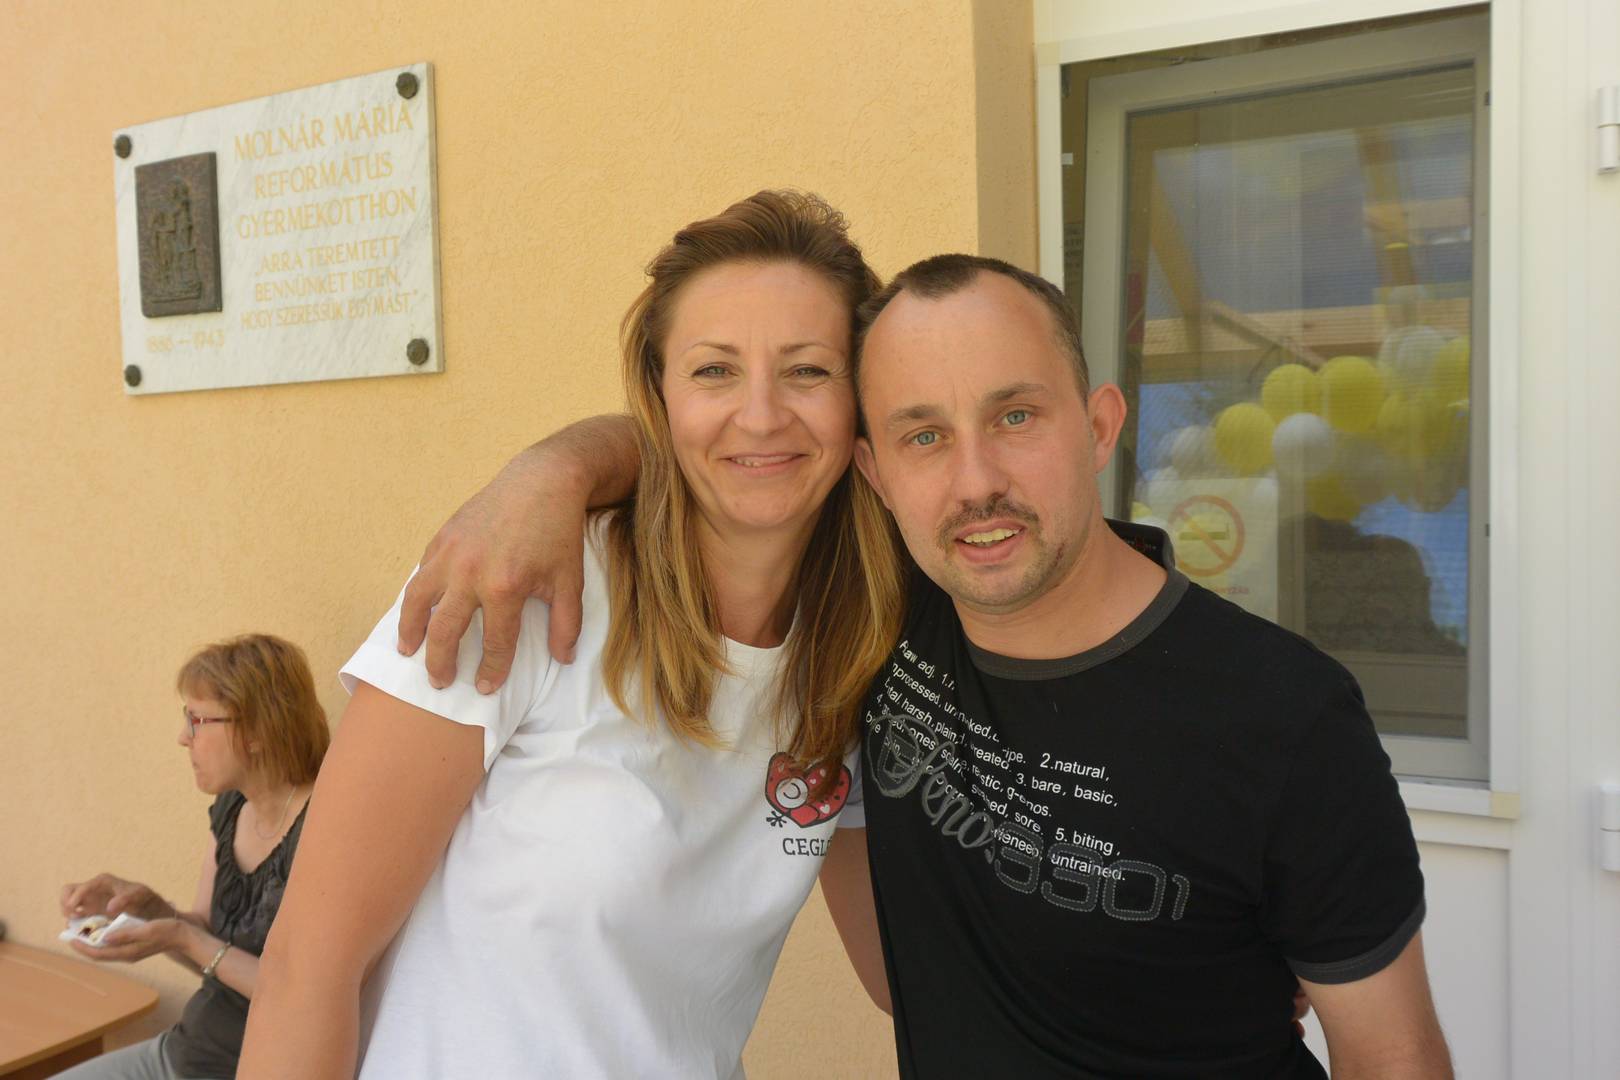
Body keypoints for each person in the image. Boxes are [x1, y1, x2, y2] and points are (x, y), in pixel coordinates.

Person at [398, 255, 1453, 1077]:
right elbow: (729, 448)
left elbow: (1393, 1053)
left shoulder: (1283, 715)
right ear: (872, 468)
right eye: (923, 436)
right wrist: (552, 470)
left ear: (1100, 426)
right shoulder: (876, 609)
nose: (976, 482)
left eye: (1015, 416)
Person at [237, 191, 903, 1080]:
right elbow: (306, 971)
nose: (760, 414)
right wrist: (560, 462)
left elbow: (902, 977)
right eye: (713, 371)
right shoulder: (520, 584)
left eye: (808, 371)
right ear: (659, 397)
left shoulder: (857, 647)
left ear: (860, 401)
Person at [56, 634, 328, 1080]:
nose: (183, 738)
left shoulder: (325, 828)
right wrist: (148, 912)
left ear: (257, 730)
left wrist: (182, 937)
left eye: (197, 720)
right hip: (183, 1053)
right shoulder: (232, 807)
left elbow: (305, 997)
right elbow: (208, 945)